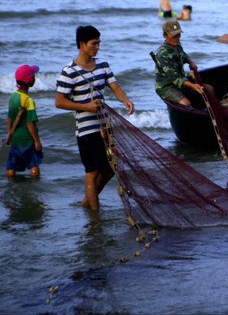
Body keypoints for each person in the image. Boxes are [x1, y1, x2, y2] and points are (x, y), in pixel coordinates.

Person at [55, 25, 135, 210]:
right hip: (85, 130)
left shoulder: (103, 65)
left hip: (104, 126)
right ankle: (94, 214)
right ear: (82, 44)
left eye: (99, 43)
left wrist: (126, 101)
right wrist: (85, 107)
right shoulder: (68, 72)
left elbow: (115, 87)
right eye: (93, 43)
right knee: (92, 172)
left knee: (109, 169)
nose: (97, 47)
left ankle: (87, 203)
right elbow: (59, 102)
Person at [153, 20, 204, 107]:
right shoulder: (162, 54)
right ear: (164, 35)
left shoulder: (177, 45)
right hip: (167, 87)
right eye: (174, 36)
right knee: (186, 104)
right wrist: (192, 85)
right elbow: (175, 77)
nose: (177, 38)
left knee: (207, 90)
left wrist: (190, 62)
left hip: (180, 82)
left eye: (178, 35)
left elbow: (183, 55)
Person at [6, 65, 43, 178]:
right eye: (34, 76)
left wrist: (10, 133)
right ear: (31, 81)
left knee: (11, 167)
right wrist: (36, 141)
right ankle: (34, 184)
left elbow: (9, 117)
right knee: (33, 166)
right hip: (27, 140)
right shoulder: (29, 101)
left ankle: (11, 183)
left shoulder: (13, 97)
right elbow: (30, 123)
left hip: (15, 139)